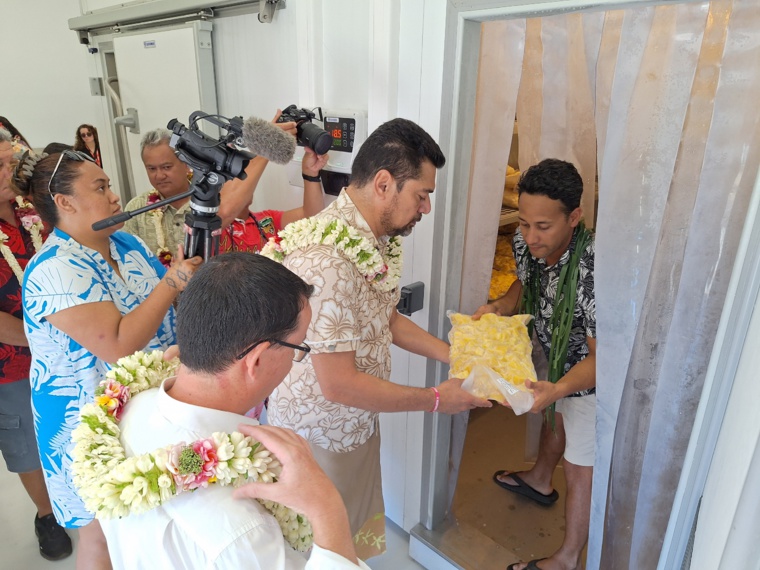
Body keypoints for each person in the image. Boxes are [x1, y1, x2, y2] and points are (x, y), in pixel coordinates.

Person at [265, 118, 491, 560]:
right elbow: (339, 384)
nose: (425, 208)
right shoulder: (326, 263)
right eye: (421, 194)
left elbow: (385, 319)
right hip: (321, 436)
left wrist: (457, 356)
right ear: (384, 184)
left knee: (358, 540)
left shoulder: (376, 241)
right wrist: (437, 399)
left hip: (357, 425)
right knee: (325, 555)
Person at [99, 252, 369, 569]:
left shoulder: (128, 405)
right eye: (299, 347)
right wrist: (327, 509)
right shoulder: (243, 534)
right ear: (257, 360)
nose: (299, 360)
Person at [16, 149, 202, 569]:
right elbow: (118, 344)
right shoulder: (53, 269)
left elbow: (166, 312)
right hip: (88, 424)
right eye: (100, 188)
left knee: (155, 520)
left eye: (110, 185)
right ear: (65, 203)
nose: (114, 196)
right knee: (102, 533)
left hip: (151, 406)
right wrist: (174, 280)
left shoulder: (127, 243)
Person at [472, 158, 595, 570]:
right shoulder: (525, 245)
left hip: (589, 376)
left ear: (574, 217)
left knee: (581, 469)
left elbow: (605, 358)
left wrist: (560, 388)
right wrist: (501, 306)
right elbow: (524, 282)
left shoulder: (595, 270)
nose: (530, 236)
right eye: (524, 223)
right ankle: (541, 480)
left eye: (543, 226)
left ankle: (567, 557)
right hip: (554, 355)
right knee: (554, 419)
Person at [0, 129, 72, 560]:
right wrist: (42, 337)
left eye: (11, 160)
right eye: (0, 168)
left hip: (69, 344)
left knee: (74, 427)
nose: (11, 172)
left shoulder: (32, 209)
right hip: (14, 363)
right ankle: (47, 514)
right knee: (27, 439)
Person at [124, 111, 325, 263]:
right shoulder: (214, 220)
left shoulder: (266, 221)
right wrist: (268, 144)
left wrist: (311, 174)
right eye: (152, 168)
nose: (159, 175)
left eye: (166, 167)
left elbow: (312, 216)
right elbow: (227, 209)